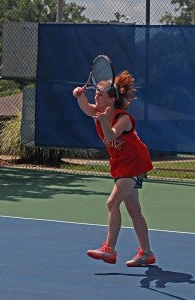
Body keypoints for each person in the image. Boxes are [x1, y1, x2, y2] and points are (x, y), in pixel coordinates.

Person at [73, 70, 155, 267]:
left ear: (111, 99)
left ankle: (109, 249)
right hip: (121, 163)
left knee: (112, 203)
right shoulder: (98, 112)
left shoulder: (123, 118)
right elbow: (86, 108)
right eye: (96, 93)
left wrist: (102, 121)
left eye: (100, 94)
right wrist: (79, 96)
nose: (96, 95)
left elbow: (111, 136)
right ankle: (147, 253)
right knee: (134, 210)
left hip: (134, 164)